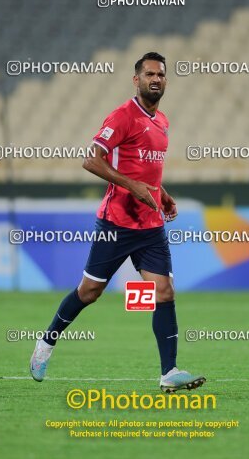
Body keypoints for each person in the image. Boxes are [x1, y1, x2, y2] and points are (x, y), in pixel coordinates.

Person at [30, 52, 206, 392]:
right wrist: (133, 187)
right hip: (116, 225)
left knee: (164, 292)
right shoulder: (123, 116)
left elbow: (146, 169)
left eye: (161, 75)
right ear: (136, 79)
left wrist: (161, 193)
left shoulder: (163, 121)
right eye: (149, 74)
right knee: (90, 292)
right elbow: (91, 161)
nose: (156, 79)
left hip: (151, 226)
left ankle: (168, 372)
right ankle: (46, 342)